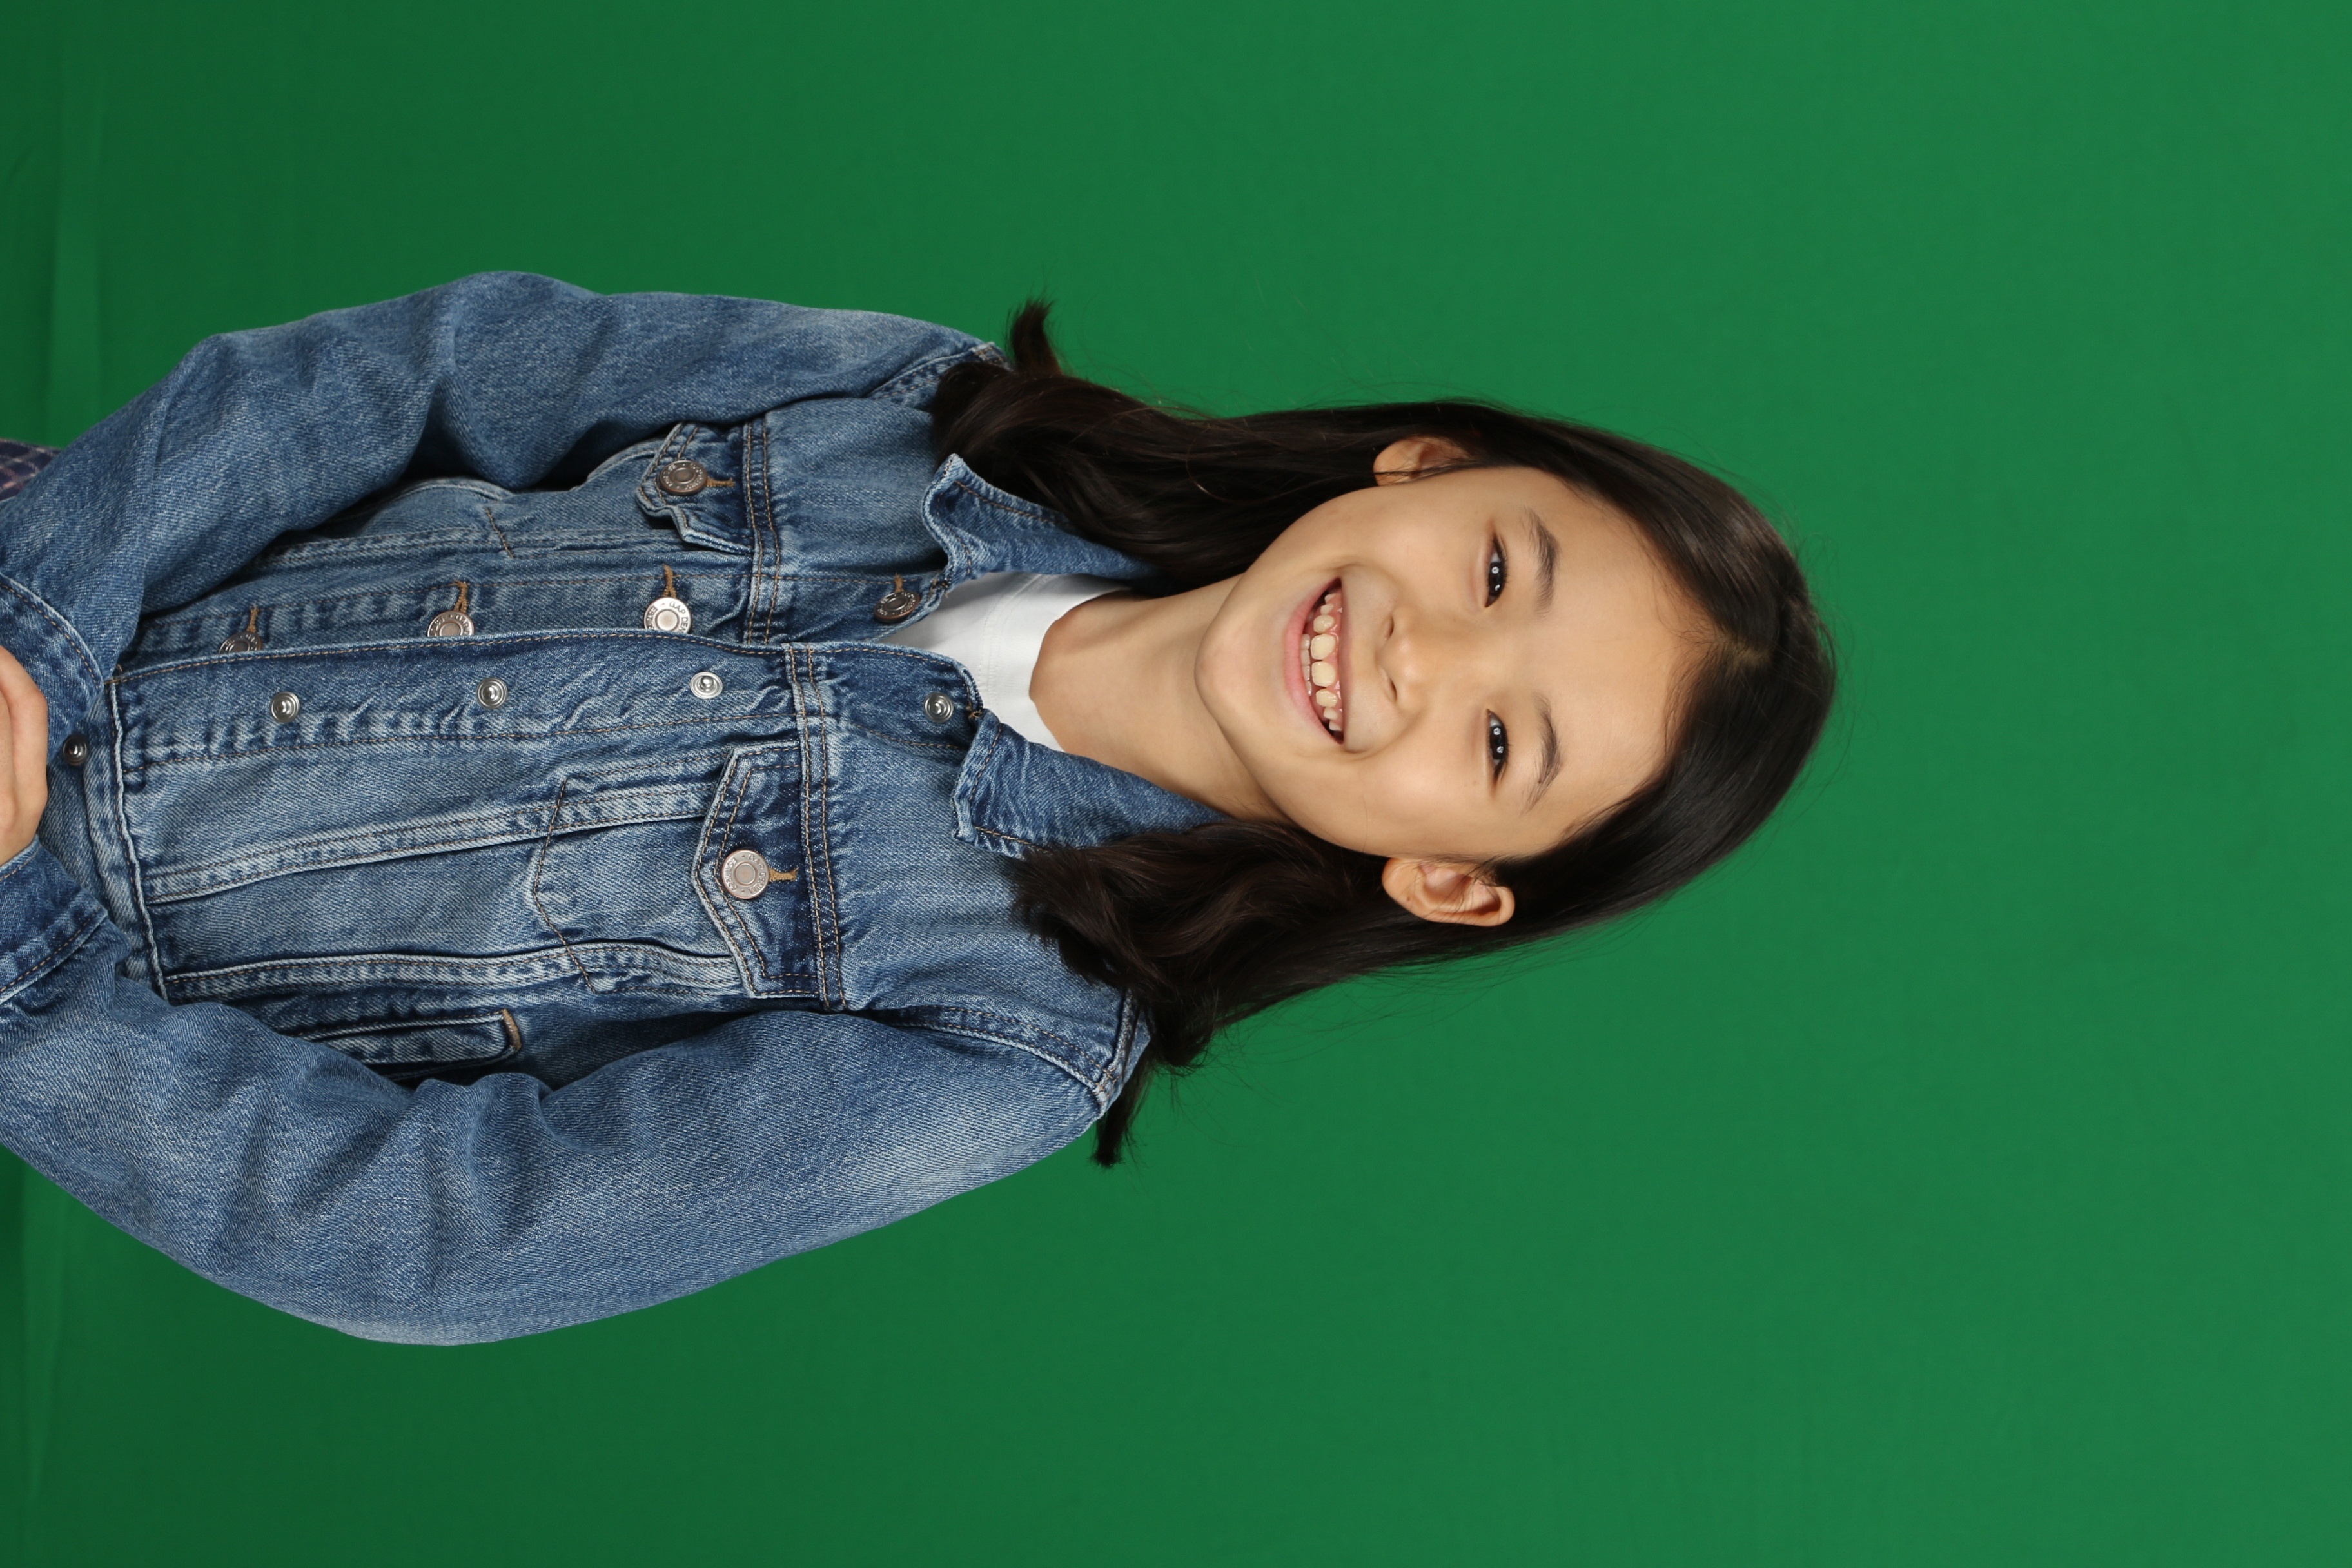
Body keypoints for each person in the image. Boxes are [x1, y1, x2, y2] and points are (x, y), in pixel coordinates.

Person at [0, 274, 1832, 1343]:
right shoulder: (921, 402)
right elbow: (427, 371)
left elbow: (442, 1236)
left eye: (1504, 747)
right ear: (1427, 466)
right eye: (1498, 567)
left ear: (1446, 877)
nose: (1427, 653)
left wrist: (23, 946)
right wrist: (34, 630)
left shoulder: (1004, 1040)